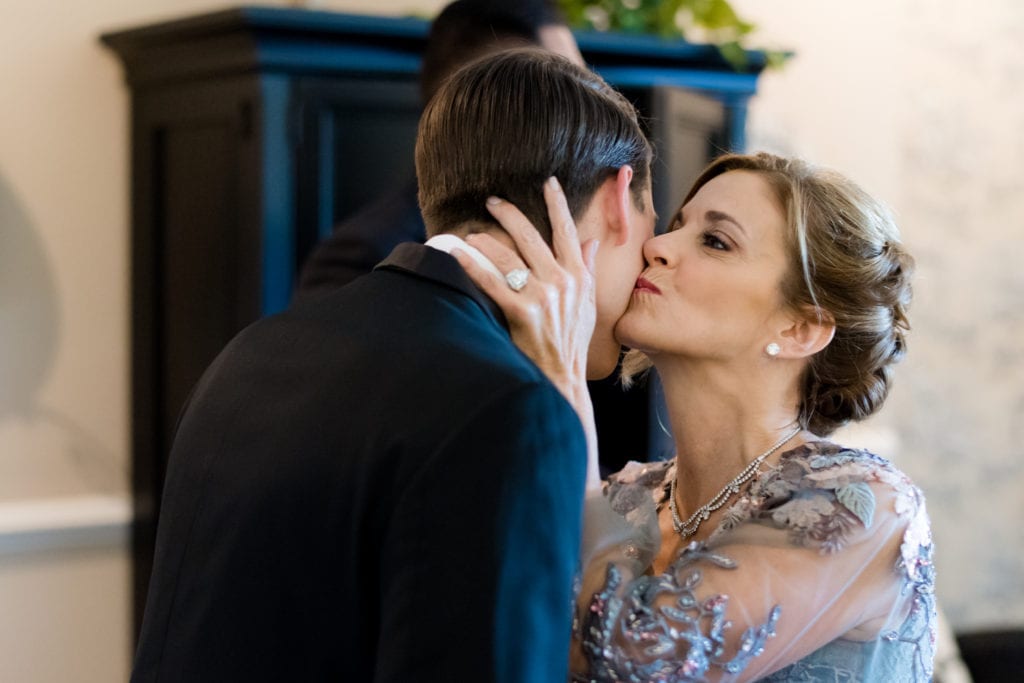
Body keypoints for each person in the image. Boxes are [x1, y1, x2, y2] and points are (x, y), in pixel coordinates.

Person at [129, 48, 655, 682]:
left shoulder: (253, 351)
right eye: (654, 226)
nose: (650, 263)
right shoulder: (514, 413)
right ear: (618, 198)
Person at [460, 151, 937, 680]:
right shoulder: (627, 496)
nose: (657, 247)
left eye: (715, 241)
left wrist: (562, 371)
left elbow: (631, 657)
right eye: (676, 226)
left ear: (800, 329)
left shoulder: (863, 506)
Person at [295, 0, 583, 295]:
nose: (589, 114)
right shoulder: (358, 259)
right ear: (484, 103)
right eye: (565, 94)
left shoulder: (580, 234)